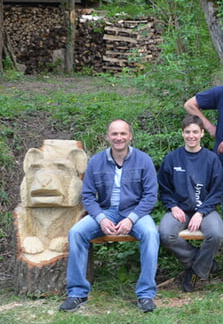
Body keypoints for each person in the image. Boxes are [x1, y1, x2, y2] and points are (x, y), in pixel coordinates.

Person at [59, 119, 159, 313]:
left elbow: (150, 196)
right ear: (108, 137)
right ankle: (77, 292)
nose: (118, 138)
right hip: (106, 212)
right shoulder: (96, 161)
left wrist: (131, 219)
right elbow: (87, 195)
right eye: (114, 134)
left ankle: (146, 295)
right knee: (76, 232)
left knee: (151, 234)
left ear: (130, 136)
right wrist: (101, 218)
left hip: (135, 212)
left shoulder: (143, 160)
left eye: (123, 134)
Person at [158, 114, 223, 292]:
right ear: (182, 134)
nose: (191, 136)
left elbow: (217, 191)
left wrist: (201, 211)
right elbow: (164, 188)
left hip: (205, 210)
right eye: (187, 132)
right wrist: (173, 206)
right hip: (179, 210)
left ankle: (196, 271)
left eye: (195, 132)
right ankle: (203, 263)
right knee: (165, 234)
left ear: (202, 133)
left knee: (216, 234)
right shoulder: (172, 158)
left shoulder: (211, 159)